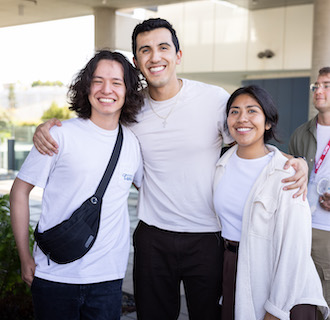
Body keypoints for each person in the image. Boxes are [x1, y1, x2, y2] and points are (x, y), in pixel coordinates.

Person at [32, 18, 309, 320]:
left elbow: (249, 138)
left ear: (178, 55)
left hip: (207, 237)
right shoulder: (130, 110)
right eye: (145, 50)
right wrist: (45, 128)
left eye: (163, 47)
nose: (155, 57)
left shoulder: (213, 99)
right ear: (136, 62)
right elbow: (97, 128)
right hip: (153, 237)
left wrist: (294, 162)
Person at [9, 50, 144, 320]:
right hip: (53, 275)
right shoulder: (59, 135)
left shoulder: (132, 143)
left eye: (117, 82)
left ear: (128, 90)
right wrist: (25, 257)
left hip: (107, 278)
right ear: (87, 86)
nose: (107, 89)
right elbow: (19, 192)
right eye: (98, 81)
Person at [214, 85, 329, 320]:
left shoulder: (287, 173)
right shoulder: (221, 164)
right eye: (234, 111)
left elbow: (294, 250)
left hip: (280, 282)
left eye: (252, 111)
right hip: (233, 267)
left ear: (268, 123)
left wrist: (277, 309)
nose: (242, 118)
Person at [289, 67, 330, 320]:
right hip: (302, 228)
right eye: (316, 86)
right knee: (303, 302)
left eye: (326, 85)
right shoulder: (301, 133)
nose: (319, 91)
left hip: (328, 233)